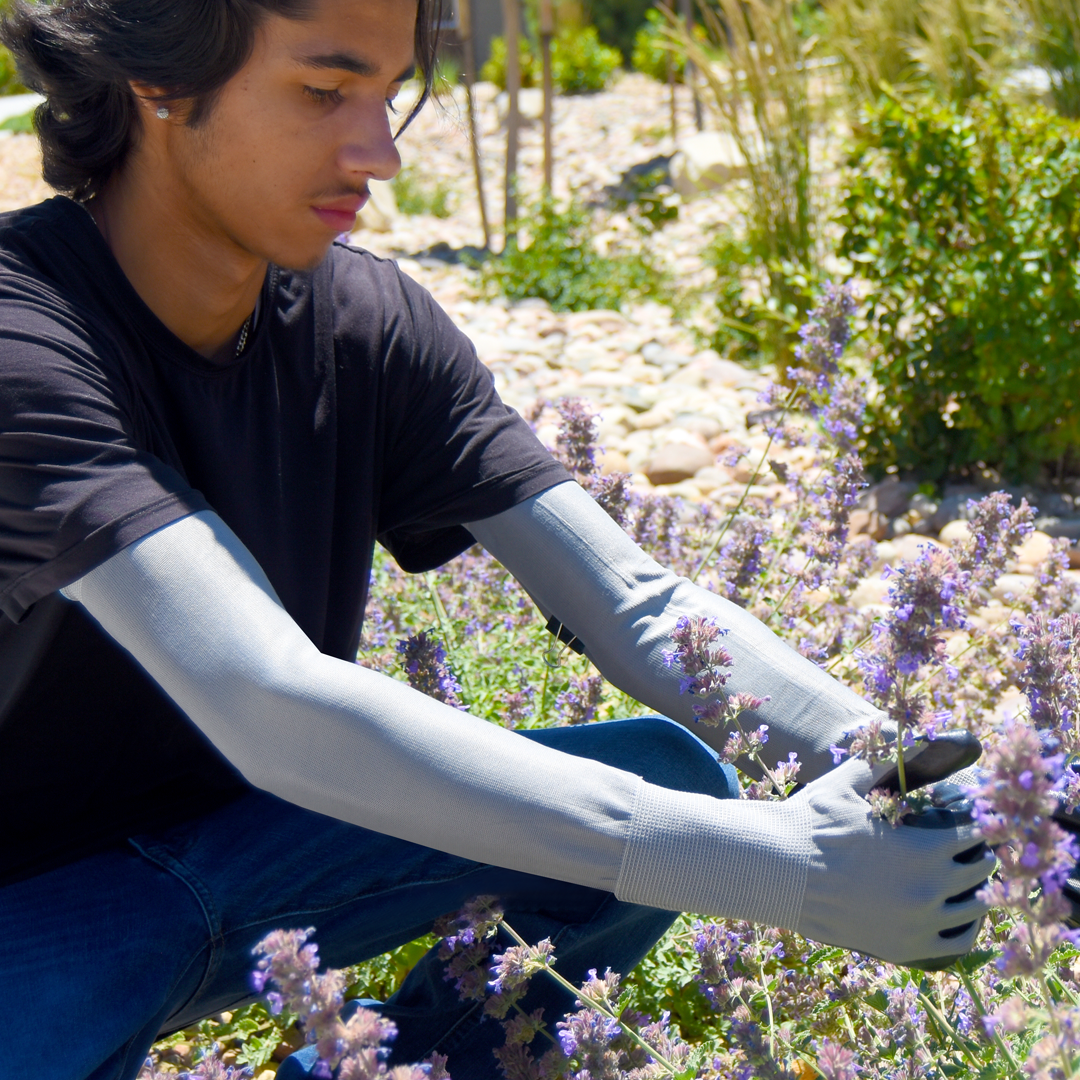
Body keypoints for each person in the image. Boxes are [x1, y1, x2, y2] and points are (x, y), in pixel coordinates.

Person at [0, 1, 991, 1078]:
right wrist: (776, 870)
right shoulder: (23, 333)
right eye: (325, 93)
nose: (378, 152)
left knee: (672, 773)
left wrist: (942, 800)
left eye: (388, 95)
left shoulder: (366, 324)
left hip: (255, 857)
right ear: (158, 83)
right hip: (31, 908)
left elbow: (641, 605)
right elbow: (266, 698)